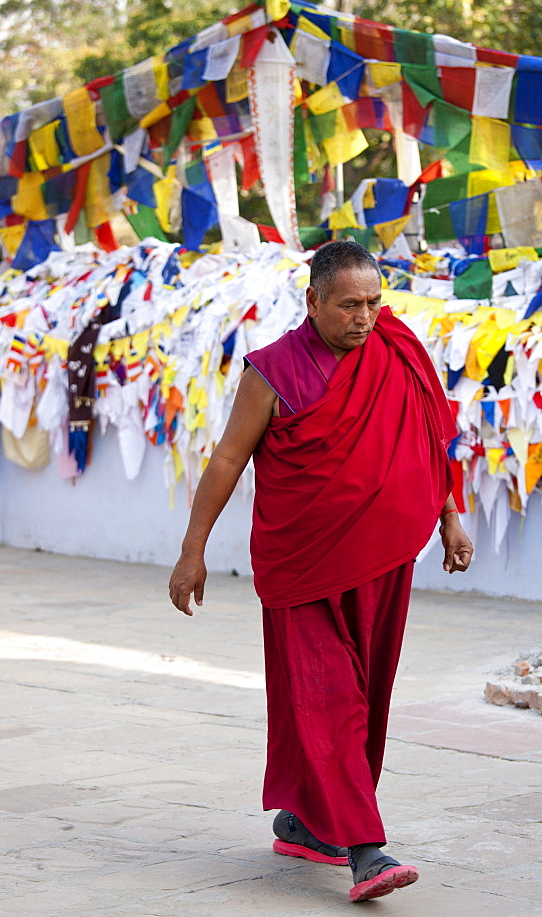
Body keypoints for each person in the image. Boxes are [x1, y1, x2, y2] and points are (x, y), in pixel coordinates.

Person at [169, 240, 473, 903]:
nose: (364, 318)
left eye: (372, 303)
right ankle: (366, 850)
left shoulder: (397, 349)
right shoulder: (273, 371)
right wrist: (193, 549)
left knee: (361, 699)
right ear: (313, 302)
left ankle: (307, 823)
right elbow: (226, 461)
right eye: (348, 306)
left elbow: (430, 436)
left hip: (384, 557)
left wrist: (450, 515)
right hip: (302, 563)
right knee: (328, 699)